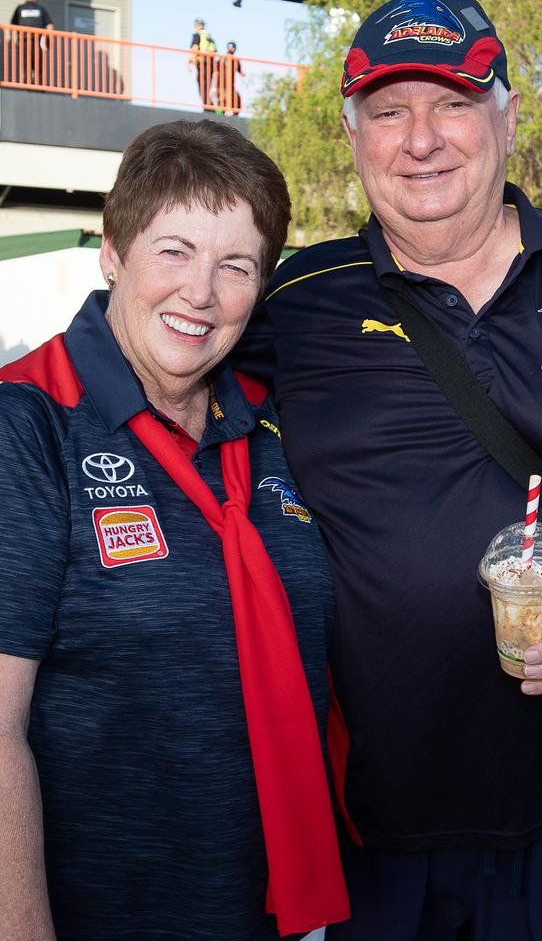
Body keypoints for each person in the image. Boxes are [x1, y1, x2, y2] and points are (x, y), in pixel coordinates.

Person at [234, 0, 542, 939]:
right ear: (354, 138)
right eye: (388, 112)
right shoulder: (295, 303)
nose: (421, 140)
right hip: (379, 825)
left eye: (453, 103)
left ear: (506, 115)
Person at [0, 119, 349, 941]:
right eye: (174, 251)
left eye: (236, 266)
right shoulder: (30, 425)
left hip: (278, 915)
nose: (202, 292)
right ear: (114, 251)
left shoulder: (268, 428)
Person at [10, 0, 54, 85]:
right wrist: (49, 40)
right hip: (38, 41)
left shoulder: (20, 8)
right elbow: (50, 25)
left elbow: (13, 25)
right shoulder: (41, 9)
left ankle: (26, 83)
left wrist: (13, 41)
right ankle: (39, 85)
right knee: (38, 64)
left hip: (24, 40)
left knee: (25, 63)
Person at [188, 18, 217, 110]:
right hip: (210, 64)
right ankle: (209, 105)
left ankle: (207, 107)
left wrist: (190, 61)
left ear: (197, 26)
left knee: (202, 86)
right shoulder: (209, 36)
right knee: (207, 86)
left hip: (202, 64)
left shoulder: (197, 35)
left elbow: (195, 48)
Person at [222, 39, 244, 114]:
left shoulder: (235, 60)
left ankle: (234, 114)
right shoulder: (223, 58)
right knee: (222, 100)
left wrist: (242, 73)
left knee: (236, 100)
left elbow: (241, 71)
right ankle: (220, 114)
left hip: (231, 85)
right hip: (222, 85)